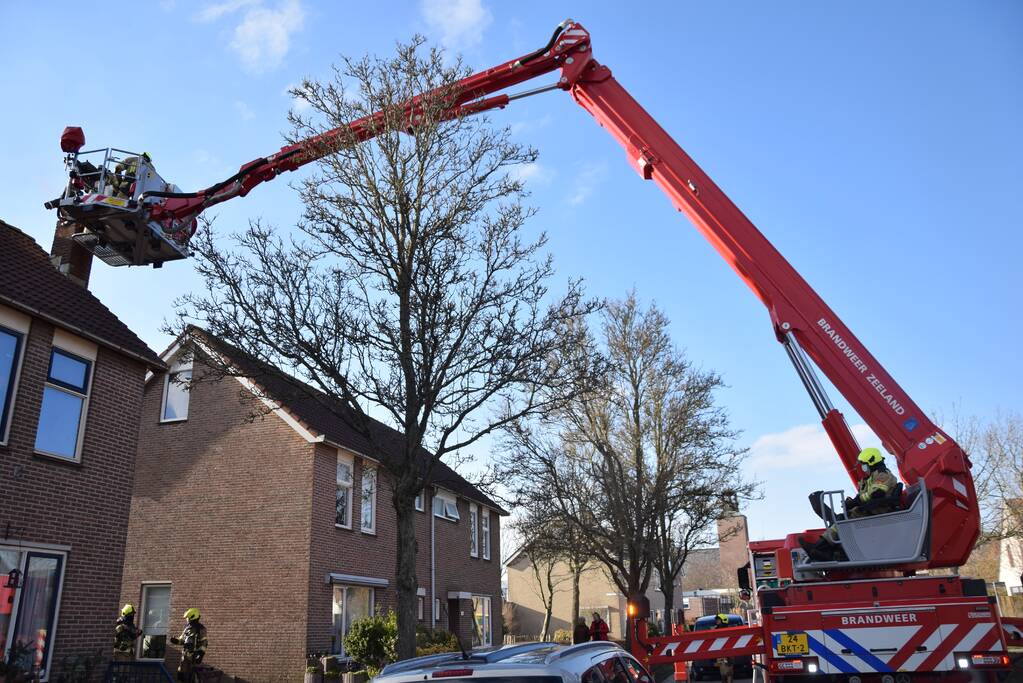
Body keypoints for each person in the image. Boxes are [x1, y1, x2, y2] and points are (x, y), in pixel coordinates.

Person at [799, 447, 899, 562]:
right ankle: (826, 550)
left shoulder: (883, 475)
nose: (863, 467)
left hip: (877, 512)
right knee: (841, 518)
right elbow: (868, 495)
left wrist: (855, 502)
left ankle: (822, 549)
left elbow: (877, 493)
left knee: (842, 521)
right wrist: (852, 502)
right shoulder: (873, 477)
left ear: (871, 461)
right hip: (871, 509)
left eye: (863, 464)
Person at [170, 608, 208, 682]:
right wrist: (176, 641)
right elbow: (182, 640)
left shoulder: (200, 628)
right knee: (181, 675)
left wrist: (200, 654)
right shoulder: (187, 628)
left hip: (195, 656)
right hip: (185, 655)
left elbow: (204, 642)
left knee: (193, 677)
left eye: (188, 617)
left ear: (192, 617)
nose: (187, 619)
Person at [713, 613, 734, 683]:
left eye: (718, 620)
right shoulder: (716, 629)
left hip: (728, 654)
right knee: (723, 673)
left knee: (729, 673)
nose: (717, 621)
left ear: (723, 620)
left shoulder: (728, 630)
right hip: (721, 655)